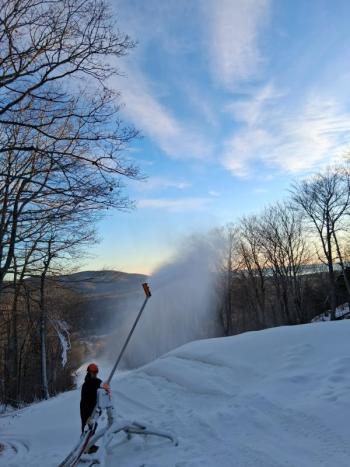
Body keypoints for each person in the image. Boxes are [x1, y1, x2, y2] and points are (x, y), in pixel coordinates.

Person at [80, 363, 102, 434]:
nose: (95, 374)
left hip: (95, 409)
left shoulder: (98, 382)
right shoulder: (86, 385)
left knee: (93, 428)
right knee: (86, 430)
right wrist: (87, 417)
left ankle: (91, 444)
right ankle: (84, 444)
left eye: (96, 372)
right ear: (89, 372)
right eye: (93, 372)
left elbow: (103, 393)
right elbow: (84, 402)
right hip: (86, 412)